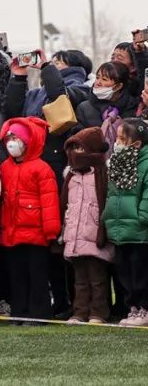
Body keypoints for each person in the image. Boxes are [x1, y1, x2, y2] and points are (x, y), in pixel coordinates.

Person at [0, 117, 61, 322]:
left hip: (36, 233)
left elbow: (50, 202)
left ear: (27, 141)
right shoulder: (4, 167)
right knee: (16, 275)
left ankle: (38, 313)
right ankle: (19, 311)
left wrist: (51, 231)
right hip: (11, 232)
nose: (11, 142)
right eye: (8, 138)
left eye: (15, 138)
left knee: (37, 276)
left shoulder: (41, 168)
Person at [60, 127, 112, 324]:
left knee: (97, 278)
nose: (75, 153)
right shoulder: (71, 176)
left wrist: (103, 230)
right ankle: (80, 312)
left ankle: (98, 312)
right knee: (80, 279)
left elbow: (105, 203)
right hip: (75, 235)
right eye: (72, 149)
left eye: (79, 148)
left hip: (95, 234)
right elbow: (65, 205)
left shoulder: (102, 174)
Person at [102, 118, 148, 327]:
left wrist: (142, 217)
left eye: (122, 139)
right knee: (124, 271)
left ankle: (144, 308)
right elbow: (112, 195)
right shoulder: (116, 162)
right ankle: (133, 307)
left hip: (139, 230)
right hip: (120, 227)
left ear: (136, 143)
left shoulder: (145, 164)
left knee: (141, 272)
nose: (117, 142)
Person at [76, 62, 139, 135]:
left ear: (118, 86)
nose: (98, 82)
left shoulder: (133, 107)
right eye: (97, 77)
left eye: (104, 79)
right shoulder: (84, 108)